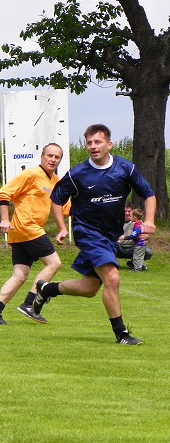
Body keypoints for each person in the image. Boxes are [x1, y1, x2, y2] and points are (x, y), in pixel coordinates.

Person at [35, 124, 156, 346]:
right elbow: (56, 199)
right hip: (87, 232)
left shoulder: (126, 169)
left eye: (97, 142)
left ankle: (47, 288)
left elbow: (148, 194)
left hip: (110, 236)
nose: (93, 146)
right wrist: (62, 227)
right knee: (113, 278)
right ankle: (121, 334)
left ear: (109, 144)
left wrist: (148, 221)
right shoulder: (77, 174)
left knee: (89, 288)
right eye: (89, 142)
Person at [0, 143, 67, 325]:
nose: (53, 159)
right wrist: (5, 219)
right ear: (42, 157)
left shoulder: (56, 182)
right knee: (54, 263)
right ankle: (29, 304)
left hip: (22, 232)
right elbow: (4, 194)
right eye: (49, 155)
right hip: (26, 226)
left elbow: (65, 208)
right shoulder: (30, 174)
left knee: (20, 275)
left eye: (57, 157)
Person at [117, 204, 153, 268]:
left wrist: (147, 236)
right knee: (109, 245)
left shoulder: (138, 224)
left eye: (129, 211)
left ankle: (135, 264)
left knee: (148, 252)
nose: (127, 213)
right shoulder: (116, 221)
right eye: (125, 211)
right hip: (119, 247)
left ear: (134, 216)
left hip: (133, 247)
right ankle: (113, 264)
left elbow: (144, 234)